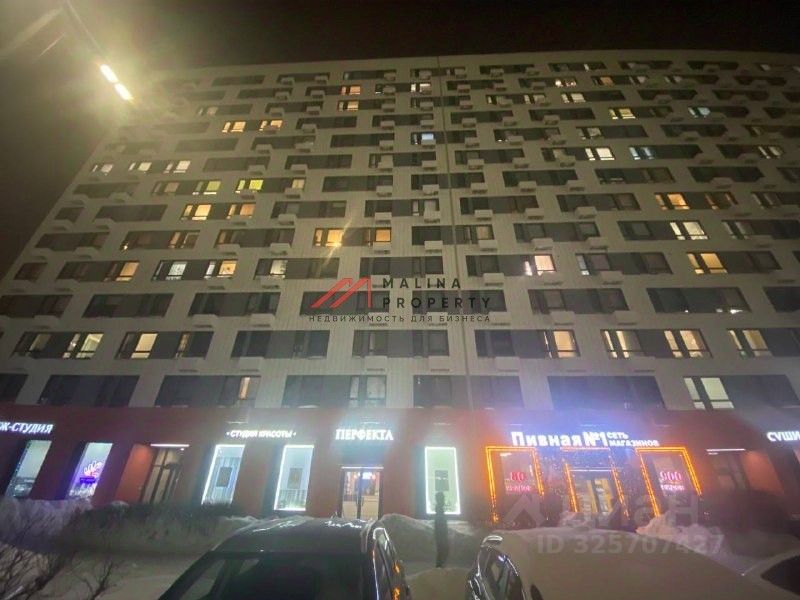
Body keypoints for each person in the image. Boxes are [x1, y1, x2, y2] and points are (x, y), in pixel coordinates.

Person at [434, 491, 449, 568]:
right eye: (443, 498)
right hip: (441, 536)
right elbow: (440, 525)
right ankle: (439, 568)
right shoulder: (439, 511)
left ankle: (440, 567)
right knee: (442, 552)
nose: (444, 500)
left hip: (440, 536)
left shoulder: (439, 510)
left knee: (441, 553)